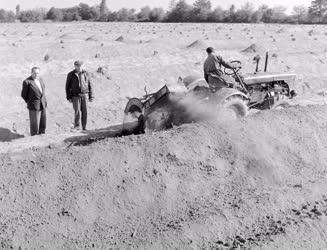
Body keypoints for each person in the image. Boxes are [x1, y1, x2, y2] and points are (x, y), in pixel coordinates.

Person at [65, 60, 94, 131]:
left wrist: (91, 96)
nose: (79, 67)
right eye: (77, 66)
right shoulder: (70, 74)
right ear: (75, 66)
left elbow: (90, 84)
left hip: (85, 95)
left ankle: (84, 127)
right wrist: (69, 97)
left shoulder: (86, 73)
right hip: (75, 96)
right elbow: (67, 87)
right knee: (77, 111)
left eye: (81, 66)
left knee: (85, 111)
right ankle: (77, 127)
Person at [21, 67, 47, 136]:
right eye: (34, 73)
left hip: (42, 103)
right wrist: (30, 102)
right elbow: (23, 95)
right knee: (34, 122)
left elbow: (43, 90)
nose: (36, 75)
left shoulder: (40, 79)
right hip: (33, 104)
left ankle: (42, 133)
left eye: (37, 73)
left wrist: (44, 101)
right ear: (31, 73)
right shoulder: (27, 82)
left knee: (43, 119)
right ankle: (34, 135)